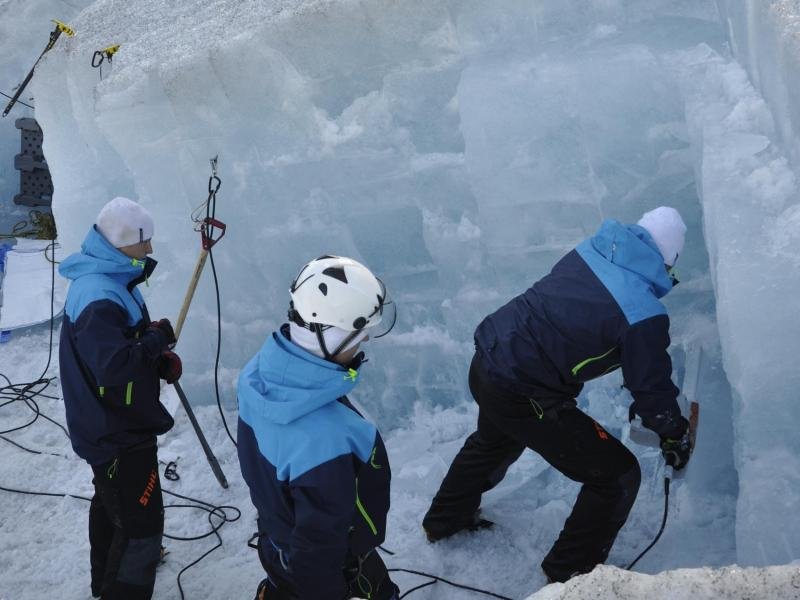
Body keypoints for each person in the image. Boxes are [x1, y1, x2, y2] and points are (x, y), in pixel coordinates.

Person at [422, 206, 694, 583]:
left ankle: (443, 521)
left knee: (494, 440)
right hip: (523, 391)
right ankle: (569, 577)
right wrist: (673, 432)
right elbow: (651, 390)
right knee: (616, 476)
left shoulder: (591, 252)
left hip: (489, 360)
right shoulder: (642, 313)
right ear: (667, 260)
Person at [237, 255, 400, 600]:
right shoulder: (327, 438)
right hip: (334, 565)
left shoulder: (260, 374)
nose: (365, 341)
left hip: (277, 537)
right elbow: (319, 546)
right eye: (359, 333)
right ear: (331, 335)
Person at [59, 196, 182, 599]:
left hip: (110, 420)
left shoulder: (108, 280)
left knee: (112, 504)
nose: (149, 250)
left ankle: (104, 583)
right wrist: (154, 340)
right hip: (116, 430)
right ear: (121, 242)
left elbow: (117, 354)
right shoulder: (98, 295)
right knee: (142, 524)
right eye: (144, 242)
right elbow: (113, 366)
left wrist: (155, 358)